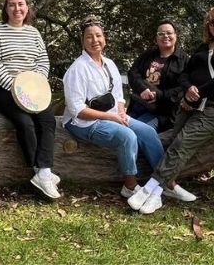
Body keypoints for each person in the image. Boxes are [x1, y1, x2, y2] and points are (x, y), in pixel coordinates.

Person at [128, 5, 214, 214]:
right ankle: (165, 187)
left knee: (182, 143)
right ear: (208, 27)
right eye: (213, 22)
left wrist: (198, 92)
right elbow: (185, 75)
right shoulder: (204, 49)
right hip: (190, 103)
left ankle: (151, 189)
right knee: (175, 143)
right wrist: (188, 90)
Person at [62, 18, 163, 205]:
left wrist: (121, 113)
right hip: (84, 122)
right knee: (127, 136)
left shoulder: (109, 64)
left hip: (113, 115)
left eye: (98, 35)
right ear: (83, 41)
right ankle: (130, 187)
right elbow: (77, 110)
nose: (95, 40)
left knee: (148, 132)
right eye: (89, 37)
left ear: (105, 39)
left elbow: (118, 96)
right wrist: (112, 117)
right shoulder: (77, 69)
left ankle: (164, 181)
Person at [0, 0, 60, 199]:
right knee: (24, 122)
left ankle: (43, 171)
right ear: (6, 8)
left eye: (21, 4)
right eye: (12, 5)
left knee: (47, 120)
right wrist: (16, 88)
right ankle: (40, 173)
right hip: (3, 88)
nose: (17, 9)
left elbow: (43, 61)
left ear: (27, 7)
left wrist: (35, 84)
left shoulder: (33, 33)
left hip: (33, 89)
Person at [127, 20, 189, 131]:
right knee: (123, 131)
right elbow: (133, 73)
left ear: (175, 35)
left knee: (138, 133)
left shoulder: (183, 60)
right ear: (156, 38)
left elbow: (183, 87)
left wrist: (160, 95)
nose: (165, 36)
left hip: (161, 112)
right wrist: (142, 89)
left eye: (169, 33)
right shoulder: (149, 54)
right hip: (138, 105)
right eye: (161, 34)